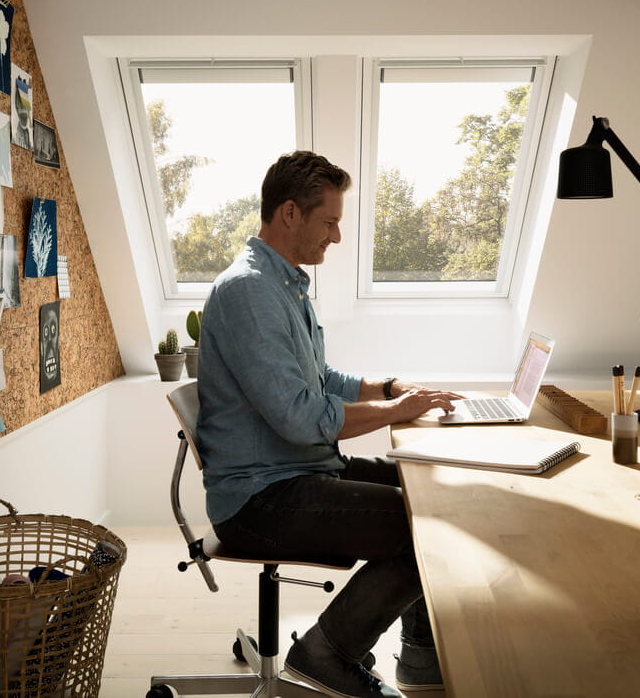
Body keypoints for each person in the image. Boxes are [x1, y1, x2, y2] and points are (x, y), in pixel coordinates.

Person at [195, 150, 463, 698]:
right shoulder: (249, 292)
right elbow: (300, 417)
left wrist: (389, 390)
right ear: (290, 214)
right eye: (330, 222)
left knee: (429, 491)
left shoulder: (283, 285)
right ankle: (325, 653)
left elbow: (319, 380)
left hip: (296, 472)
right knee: (423, 529)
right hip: (259, 499)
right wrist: (395, 413)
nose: (337, 238)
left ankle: (418, 656)